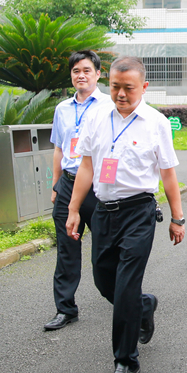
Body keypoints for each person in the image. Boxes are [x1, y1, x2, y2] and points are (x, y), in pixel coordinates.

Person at [66, 56, 186, 373]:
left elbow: (168, 174)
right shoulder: (96, 118)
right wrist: (74, 209)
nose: (120, 94)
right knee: (104, 280)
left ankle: (125, 360)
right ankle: (144, 306)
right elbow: (87, 167)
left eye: (128, 88)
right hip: (103, 211)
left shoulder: (155, 122)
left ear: (143, 87)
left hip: (139, 212)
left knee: (126, 284)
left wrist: (177, 218)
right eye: (115, 87)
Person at [44, 50, 113, 331]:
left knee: (106, 251)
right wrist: (55, 185)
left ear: (98, 74)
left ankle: (124, 298)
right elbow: (59, 149)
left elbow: (113, 149)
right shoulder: (62, 109)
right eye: (75, 71)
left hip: (98, 187)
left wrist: (109, 186)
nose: (80, 75)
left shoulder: (109, 106)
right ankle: (65, 308)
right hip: (69, 183)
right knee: (66, 248)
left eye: (86, 70)